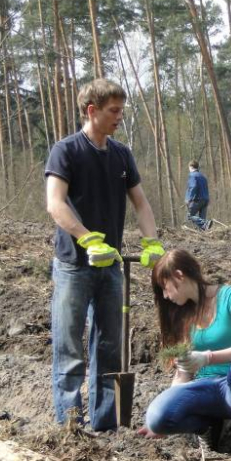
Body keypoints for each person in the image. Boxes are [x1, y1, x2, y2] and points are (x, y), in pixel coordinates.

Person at [45, 78, 164, 432]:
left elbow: (140, 203)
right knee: (69, 351)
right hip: (73, 266)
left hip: (111, 267)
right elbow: (55, 203)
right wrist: (86, 239)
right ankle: (70, 427)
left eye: (122, 111)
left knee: (110, 348)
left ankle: (107, 425)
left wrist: (152, 242)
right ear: (92, 111)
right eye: (114, 111)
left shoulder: (121, 155)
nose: (119, 118)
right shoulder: (66, 151)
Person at [138, 249, 231, 457]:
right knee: (157, 416)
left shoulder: (230, 295)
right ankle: (206, 427)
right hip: (205, 389)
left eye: (165, 287)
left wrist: (207, 358)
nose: (164, 295)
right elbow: (184, 372)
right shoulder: (181, 314)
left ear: (179, 276)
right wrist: (161, 421)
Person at [185, 160, 212, 230]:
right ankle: (203, 235)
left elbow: (193, 186)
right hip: (205, 200)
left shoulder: (192, 175)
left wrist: (189, 198)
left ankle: (205, 223)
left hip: (197, 200)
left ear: (191, 167)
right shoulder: (203, 176)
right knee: (202, 224)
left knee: (190, 216)